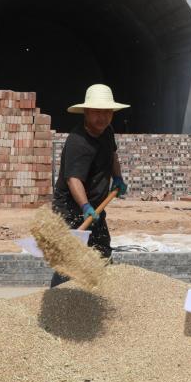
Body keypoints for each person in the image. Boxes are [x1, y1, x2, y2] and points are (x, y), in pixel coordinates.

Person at [51, 84, 129, 287]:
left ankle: (99, 299)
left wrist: (117, 178)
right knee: (70, 260)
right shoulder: (78, 142)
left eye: (106, 112)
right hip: (71, 209)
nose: (102, 117)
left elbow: (112, 154)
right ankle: (58, 300)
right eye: (96, 112)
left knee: (101, 251)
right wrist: (85, 207)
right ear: (86, 112)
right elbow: (73, 179)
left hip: (95, 206)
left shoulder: (107, 131)